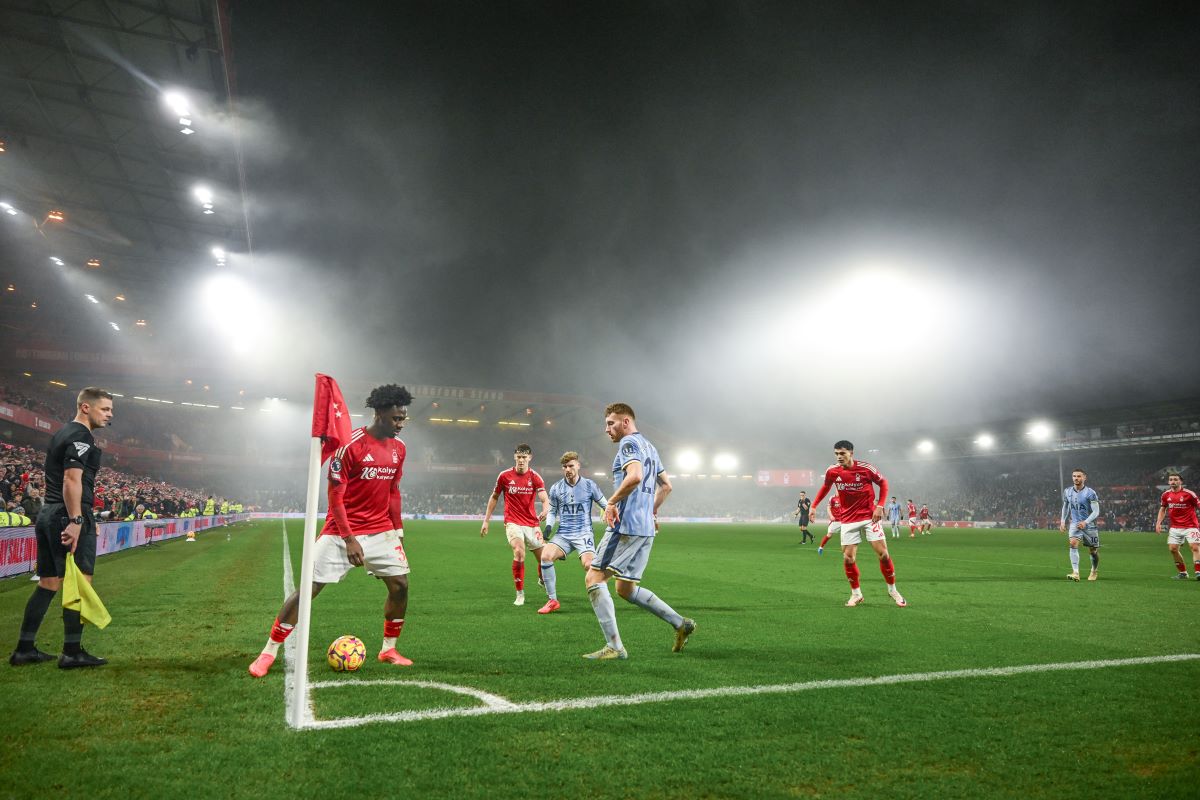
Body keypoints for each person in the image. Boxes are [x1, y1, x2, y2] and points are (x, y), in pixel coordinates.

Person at [249, 384, 414, 678]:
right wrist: (350, 540)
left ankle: (389, 648)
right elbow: (335, 497)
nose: (400, 425)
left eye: (403, 419)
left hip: (381, 531)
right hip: (341, 533)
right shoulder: (349, 446)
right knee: (308, 590)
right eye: (395, 419)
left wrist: (397, 531)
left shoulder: (399, 449)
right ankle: (269, 651)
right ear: (378, 414)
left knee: (400, 586)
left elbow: (393, 492)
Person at [9, 387, 114, 668]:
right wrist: (78, 520)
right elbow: (71, 479)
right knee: (80, 583)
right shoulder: (81, 435)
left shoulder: (62, 433)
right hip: (66, 515)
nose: (110, 415)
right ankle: (71, 651)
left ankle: (24, 649)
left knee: (48, 583)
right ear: (85, 408)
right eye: (105, 409)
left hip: (49, 513)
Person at [582, 403, 694, 660]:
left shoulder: (628, 444)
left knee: (594, 579)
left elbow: (634, 477)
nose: (606, 429)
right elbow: (666, 486)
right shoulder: (651, 447)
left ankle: (615, 647)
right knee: (626, 589)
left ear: (625, 422)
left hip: (625, 527)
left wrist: (610, 503)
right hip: (644, 529)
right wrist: (651, 512)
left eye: (611, 423)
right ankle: (680, 623)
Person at [810, 440, 906, 607]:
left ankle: (893, 590)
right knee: (848, 559)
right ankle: (856, 594)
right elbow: (825, 487)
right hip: (847, 519)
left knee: (883, 554)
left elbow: (883, 483)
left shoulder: (866, 468)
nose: (839, 457)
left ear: (851, 453)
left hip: (869, 517)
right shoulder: (832, 471)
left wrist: (880, 505)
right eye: (836, 454)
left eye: (842, 453)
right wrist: (813, 506)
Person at [537, 451, 607, 614]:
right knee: (545, 556)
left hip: (583, 534)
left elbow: (605, 504)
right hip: (563, 534)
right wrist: (548, 527)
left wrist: (609, 513)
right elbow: (553, 510)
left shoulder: (590, 485)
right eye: (564, 467)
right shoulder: (556, 488)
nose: (567, 469)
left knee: (589, 565)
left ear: (578, 466)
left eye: (570, 466)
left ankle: (601, 598)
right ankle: (552, 600)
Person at [481, 444, 550, 606]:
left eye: (524, 457)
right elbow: (494, 497)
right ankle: (520, 594)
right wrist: (486, 520)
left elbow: (544, 498)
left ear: (529, 458)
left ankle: (542, 578)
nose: (521, 460)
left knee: (545, 559)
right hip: (512, 522)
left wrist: (546, 509)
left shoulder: (535, 477)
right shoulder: (504, 476)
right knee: (519, 552)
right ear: (514, 457)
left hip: (532, 524)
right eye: (518, 457)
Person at [1155, 471, 1199, 580]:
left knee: (1194, 547)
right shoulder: (1166, 495)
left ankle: (1198, 572)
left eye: (1175, 479)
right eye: (1171, 480)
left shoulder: (1189, 494)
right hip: (1175, 527)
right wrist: (1158, 523)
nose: (1173, 481)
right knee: (1173, 549)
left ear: (1180, 481)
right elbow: (1163, 509)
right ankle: (1183, 573)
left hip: (1191, 526)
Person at [1060, 468, 1100, 581]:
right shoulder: (1067, 491)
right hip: (1075, 523)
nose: (1076, 478)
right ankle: (1075, 573)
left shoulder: (1091, 493)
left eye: (1079, 476)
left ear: (1084, 477)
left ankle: (1094, 570)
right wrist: (1062, 521)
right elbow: (1066, 506)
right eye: (1074, 476)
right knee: (1073, 543)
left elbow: (1096, 511)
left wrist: (1085, 522)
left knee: (1093, 551)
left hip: (1089, 524)